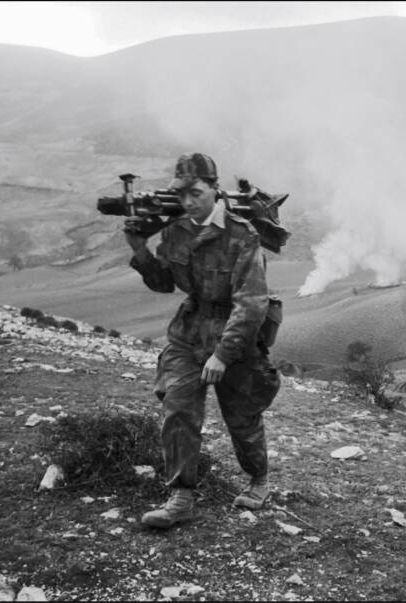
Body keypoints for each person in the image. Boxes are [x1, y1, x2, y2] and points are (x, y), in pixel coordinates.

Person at [125, 152, 281, 529]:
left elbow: (252, 301)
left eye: (196, 193)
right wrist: (139, 250)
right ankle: (181, 496)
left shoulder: (242, 235)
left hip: (236, 334)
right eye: (182, 195)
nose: (189, 201)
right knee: (178, 406)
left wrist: (224, 355)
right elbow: (165, 283)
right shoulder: (177, 231)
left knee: (242, 419)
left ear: (214, 189)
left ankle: (259, 478)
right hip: (190, 331)